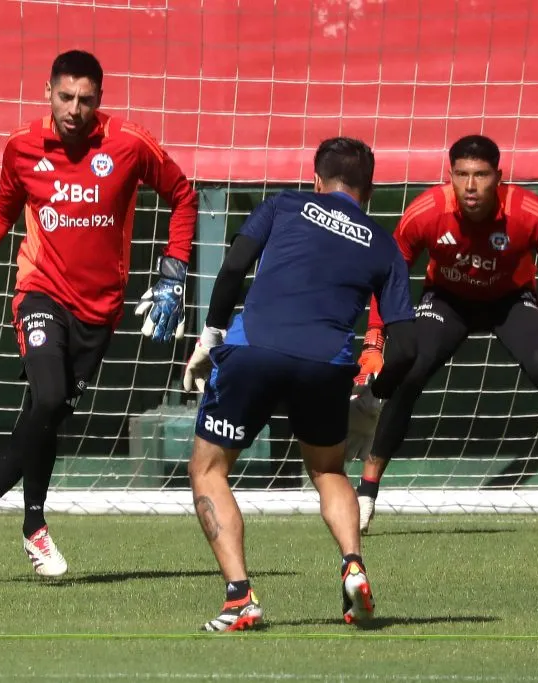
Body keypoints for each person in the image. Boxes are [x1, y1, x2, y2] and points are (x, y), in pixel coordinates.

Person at [0, 50, 198, 587]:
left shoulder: (130, 144)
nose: (75, 109)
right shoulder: (22, 147)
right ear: (47, 91)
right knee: (47, 401)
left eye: (86, 99)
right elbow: (5, 209)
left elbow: (183, 196)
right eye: (65, 96)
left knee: (42, 420)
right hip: (40, 292)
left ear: (100, 100)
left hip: (100, 312)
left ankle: (32, 523)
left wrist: (173, 274)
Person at [182, 137, 418, 632]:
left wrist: (210, 336)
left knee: (208, 469)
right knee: (329, 471)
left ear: (316, 180)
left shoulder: (286, 204)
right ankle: (353, 564)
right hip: (326, 366)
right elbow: (410, 347)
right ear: (368, 190)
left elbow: (232, 267)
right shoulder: (383, 243)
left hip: (254, 351)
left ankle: (240, 598)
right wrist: (372, 399)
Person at [350, 134, 538, 536]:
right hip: (446, 301)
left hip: (510, 301)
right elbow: (390, 272)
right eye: (462, 175)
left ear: (499, 177)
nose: (471, 186)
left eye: (481, 175)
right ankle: (366, 492)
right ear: (450, 175)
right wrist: (374, 340)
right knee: (411, 373)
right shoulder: (426, 212)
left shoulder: (531, 214)